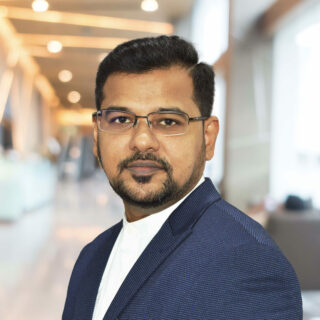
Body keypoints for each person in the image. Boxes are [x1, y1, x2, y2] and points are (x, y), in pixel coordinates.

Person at [62, 35, 302, 320]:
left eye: (167, 122)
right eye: (121, 120)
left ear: (208, 137)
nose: (141, 141)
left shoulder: (247, 262)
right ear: (97, 133)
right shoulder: (93, 255)